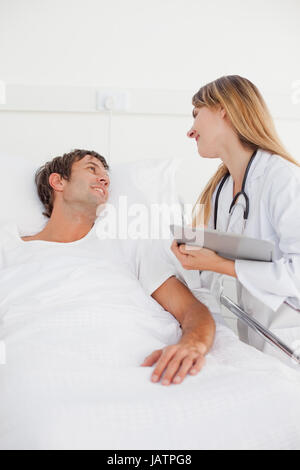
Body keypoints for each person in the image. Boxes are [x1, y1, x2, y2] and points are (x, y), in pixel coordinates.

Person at [0, 149, 216, 386]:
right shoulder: (8, 245)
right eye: (92, 169)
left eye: (106, 175)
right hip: (37, 359)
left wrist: (193, 344)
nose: (104, 178)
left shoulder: (129, 242)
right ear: (58, 181)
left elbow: (190, 309)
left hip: (143, 362)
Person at [171, 75, 300, 360]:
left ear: (223, 110)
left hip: (291, 338)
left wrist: (219, 264)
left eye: (196, 115)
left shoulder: (283, 178)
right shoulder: (222, 187)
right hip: (256, 341)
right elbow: (216, 264)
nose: (190, 131)